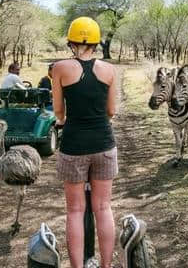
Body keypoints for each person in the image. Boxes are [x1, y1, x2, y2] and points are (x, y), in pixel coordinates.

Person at [52, 17, 118, 268]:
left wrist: (64, 118)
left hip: (73, 146)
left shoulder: (60, 68)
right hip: (104, 144)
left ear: (71, 42)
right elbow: (111, 111)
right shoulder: (110, 70)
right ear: (95, 42)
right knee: (103, 208)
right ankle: (106, 266)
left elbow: (58, 111)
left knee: (75, 211)